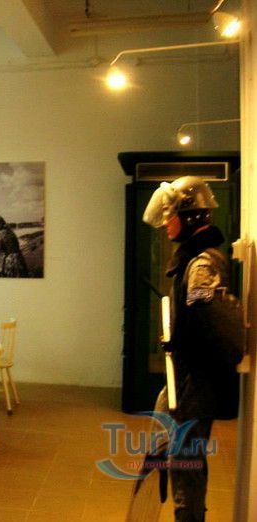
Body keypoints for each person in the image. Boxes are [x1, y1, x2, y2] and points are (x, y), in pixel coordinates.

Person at [142, 176, 242, 521]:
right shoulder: (196, 258)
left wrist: (186, 341)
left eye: (170, 215)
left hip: (196, 383)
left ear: (190, 217)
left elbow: (206, 313)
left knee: (186, 463)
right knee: (183, 456)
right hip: (190, 379)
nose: (165, 223)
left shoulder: (200, 264)